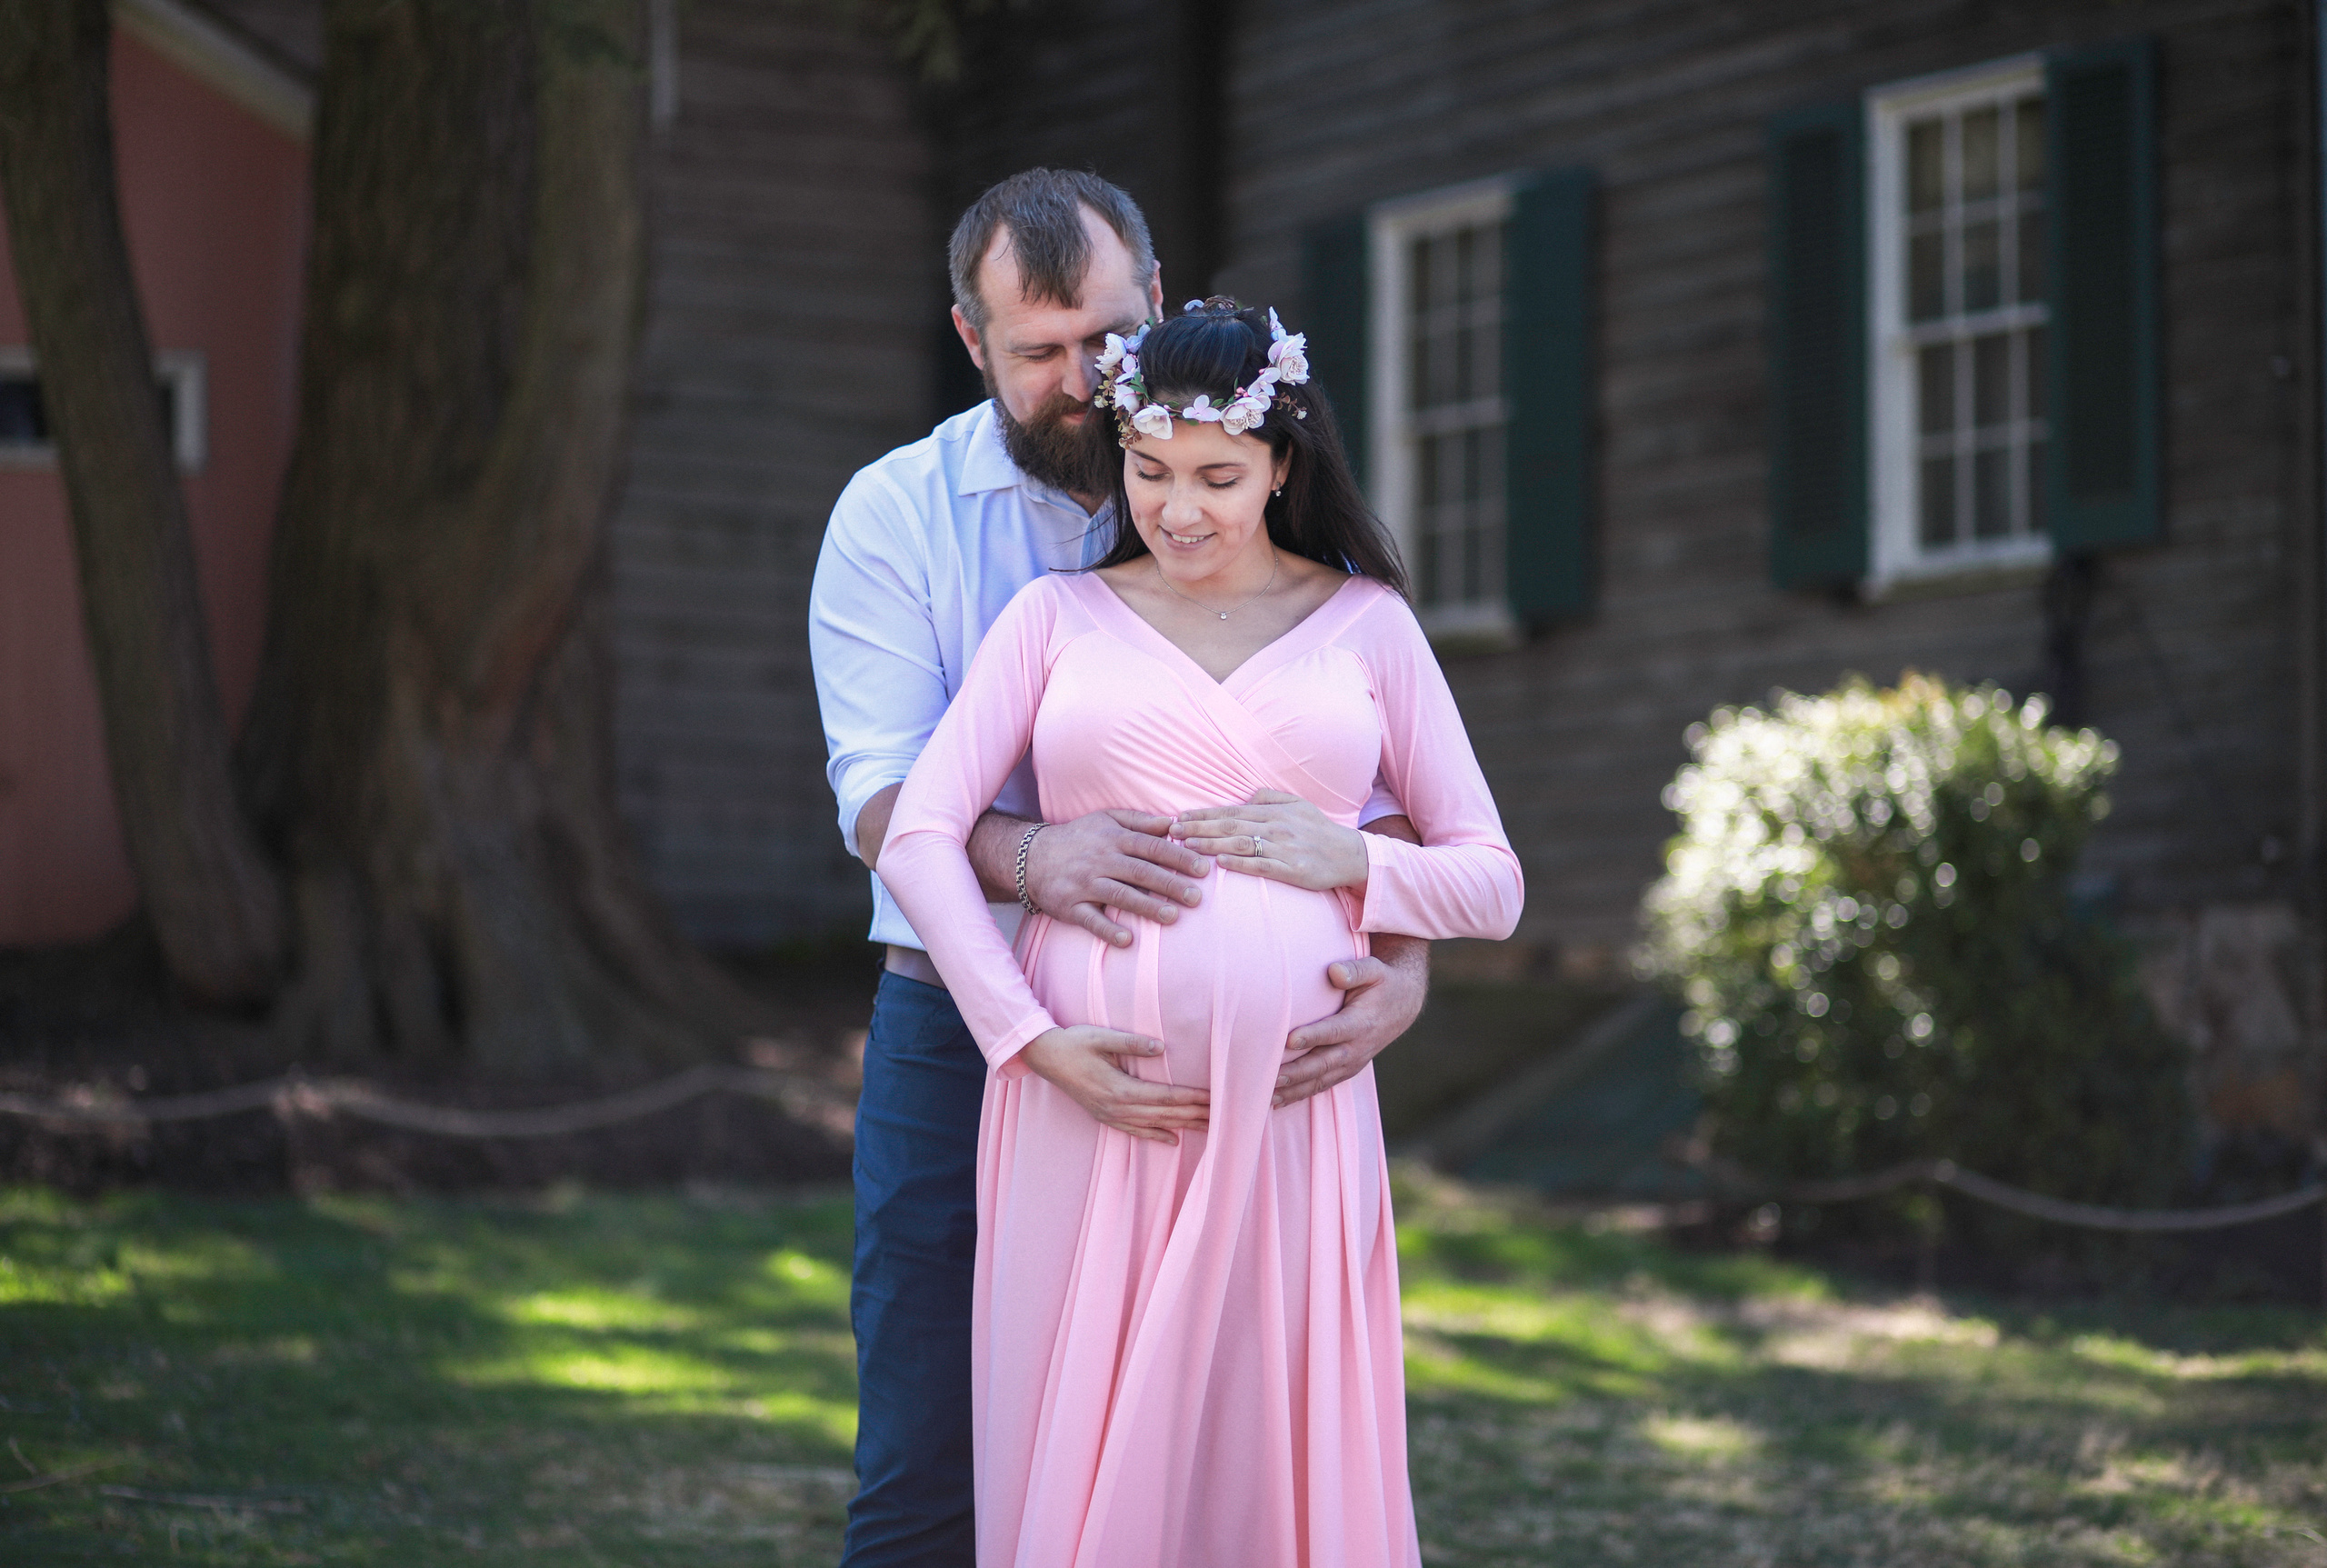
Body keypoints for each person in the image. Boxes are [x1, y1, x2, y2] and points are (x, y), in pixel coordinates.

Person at [809, 171, 1433, 1566]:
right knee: (927, 1464)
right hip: (957, 1030)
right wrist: (1035, 856)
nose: (1082, 381)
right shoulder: (895, 516)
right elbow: (883, 796)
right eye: (1038, 351)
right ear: (972, 343)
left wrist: (1405, 968)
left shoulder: (1254, 498)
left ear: (1157, 302)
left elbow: (1379, 794)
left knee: (1234, 1459)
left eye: (1104, 336)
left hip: (1253, 1070)